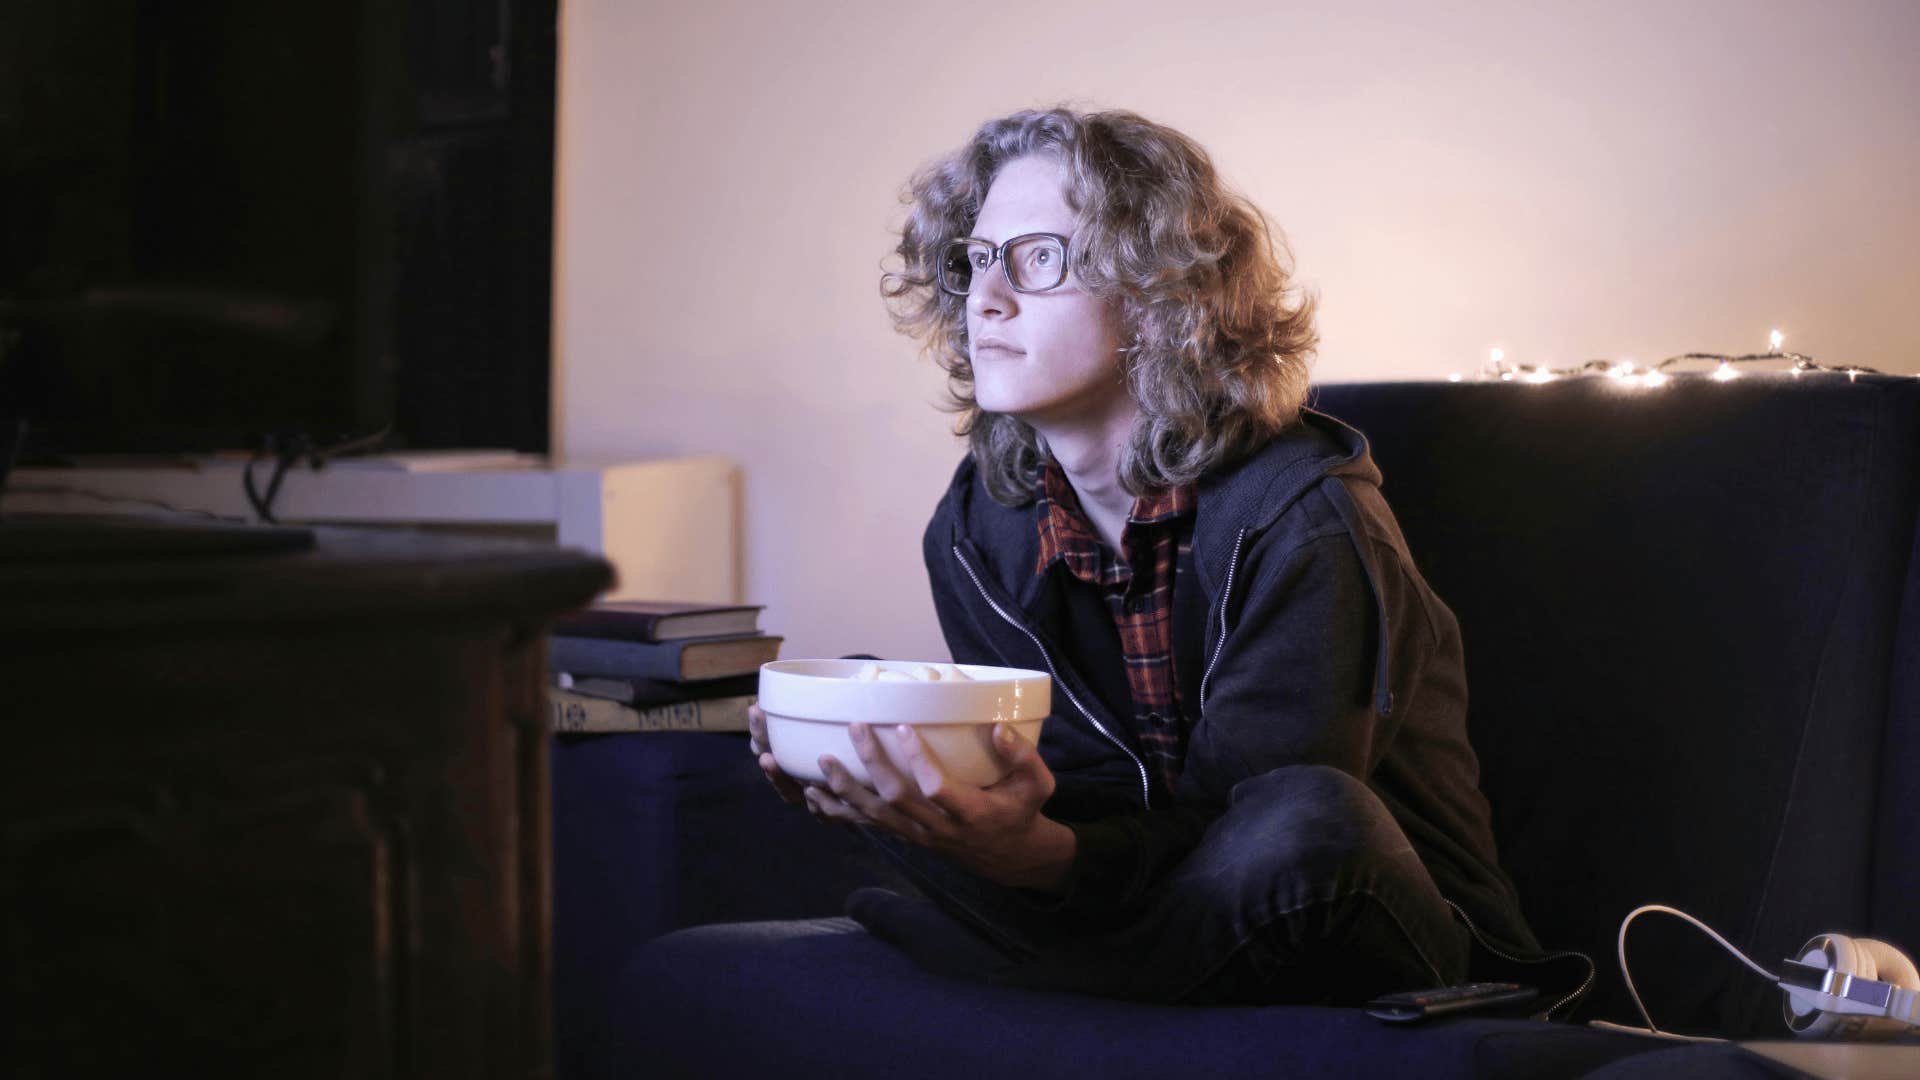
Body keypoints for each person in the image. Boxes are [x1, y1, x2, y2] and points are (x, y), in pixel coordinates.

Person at [746, 106, 1560, 1007]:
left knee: (1308, 820)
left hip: (1388, 932)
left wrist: (1041, 861)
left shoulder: (1306, 522)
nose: (986, 297)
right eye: (978, 259)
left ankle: (1051, 974)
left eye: (1039, 258)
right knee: (874, 722)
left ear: (1157, 294)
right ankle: (1085, 970)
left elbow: (1243, 836)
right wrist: (952, 805)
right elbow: (1074, 794)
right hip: (1133, 896)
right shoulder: (979, 527)